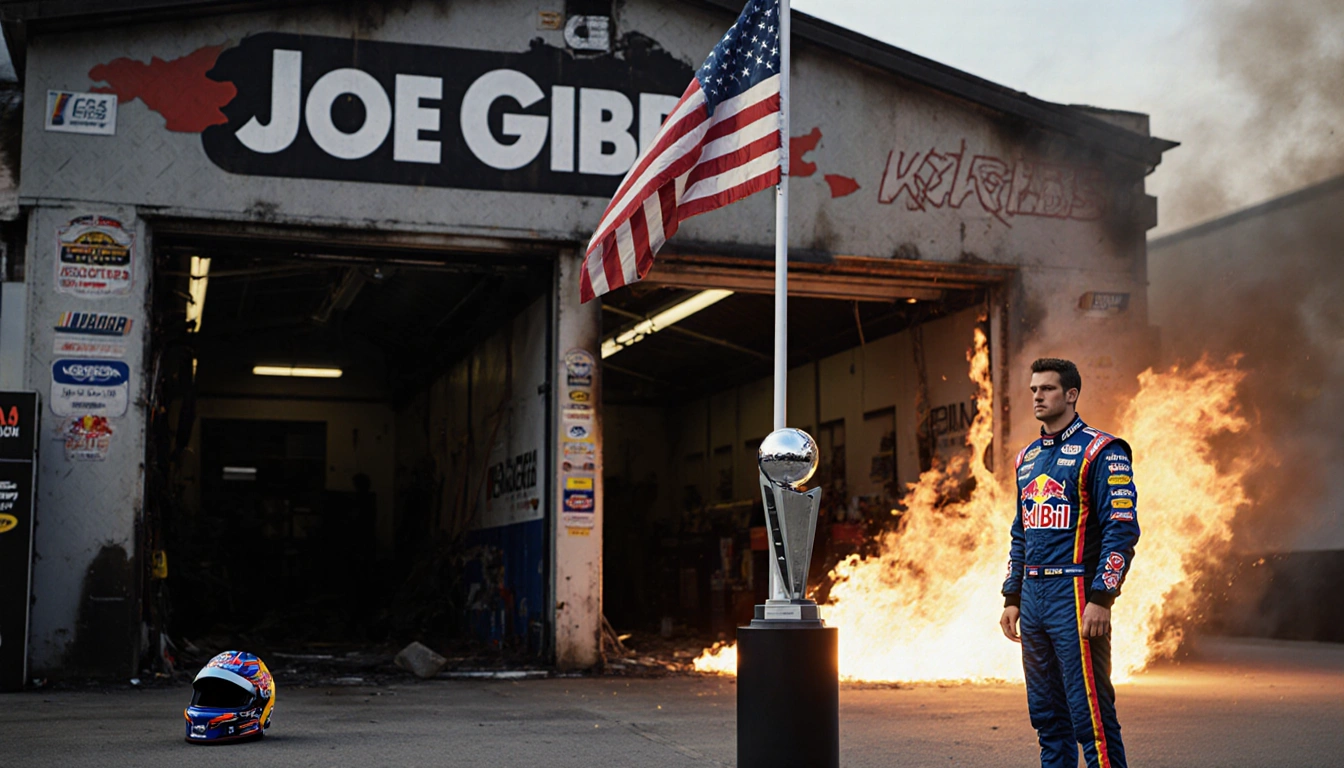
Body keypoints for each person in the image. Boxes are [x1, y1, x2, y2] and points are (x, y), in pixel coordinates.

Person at [999, 358, 1140, 768]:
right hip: (1034, 598)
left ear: (1072, 394)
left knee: (1091, 718)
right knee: (1047, 719)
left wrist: (1103, 597)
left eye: (1047, 389)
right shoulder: (1025, 459)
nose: (1038, 397)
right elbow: (1020, 533)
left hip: (1076, 596)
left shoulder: (1103, 450)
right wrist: (1011, 597)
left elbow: (1122, 529)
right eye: (1033, 390)